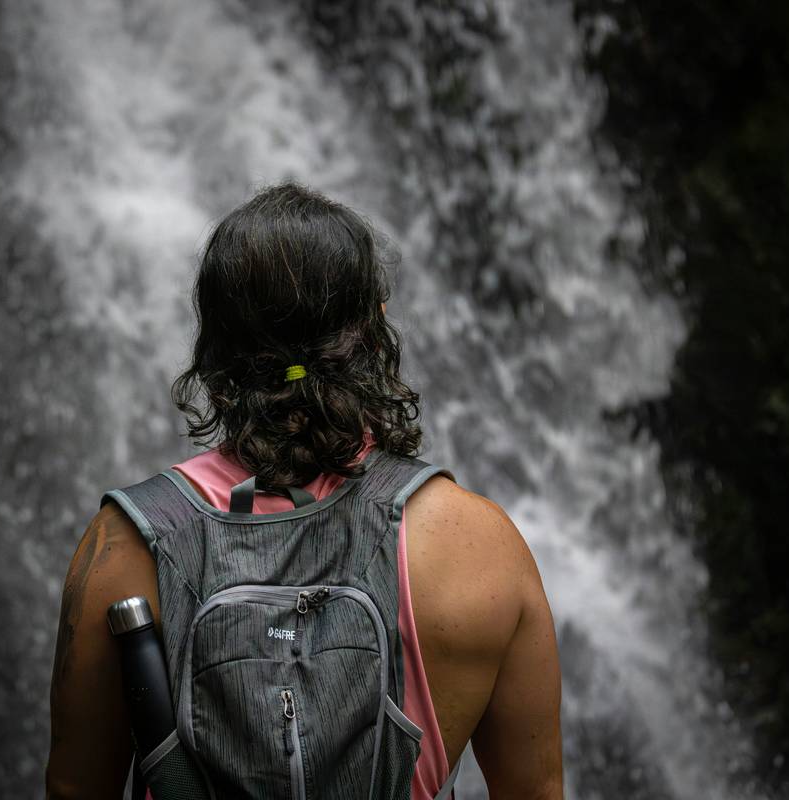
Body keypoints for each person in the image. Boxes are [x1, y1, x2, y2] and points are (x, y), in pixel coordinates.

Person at [45, 182, 564, 799]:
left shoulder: (123, 548)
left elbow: (74, 791)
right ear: (373, 333)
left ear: (214, 348)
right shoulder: (480, 546)